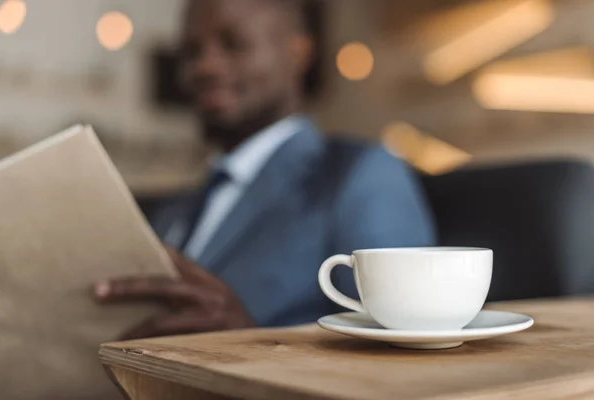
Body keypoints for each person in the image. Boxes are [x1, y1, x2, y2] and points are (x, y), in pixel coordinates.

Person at [93, 0, 436, 339]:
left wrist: (245, 340)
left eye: (234, 44)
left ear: (298, 52)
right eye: (191, 51)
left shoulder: (361, 177)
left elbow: (401, 355)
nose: (205, 67)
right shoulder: (175, 210)